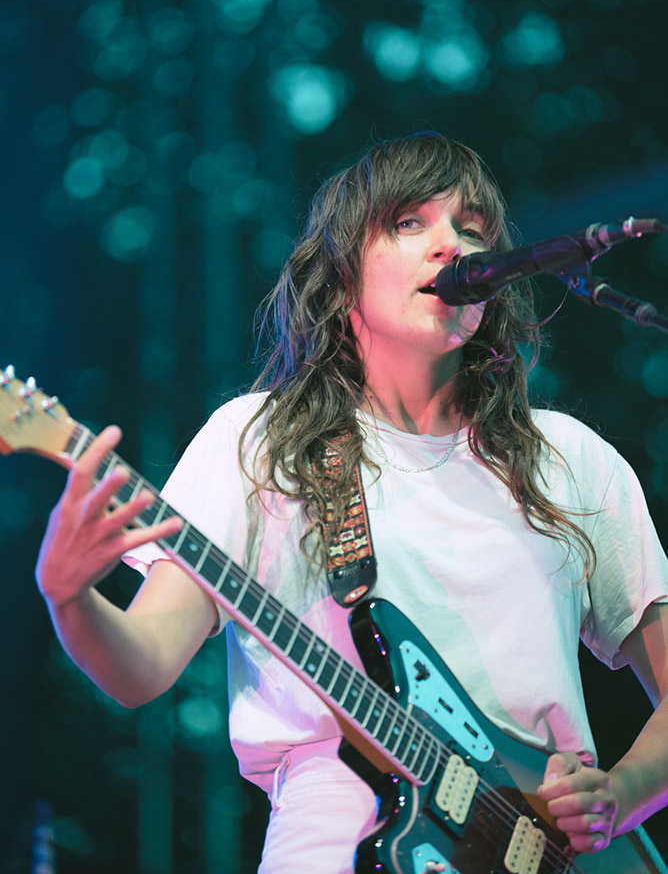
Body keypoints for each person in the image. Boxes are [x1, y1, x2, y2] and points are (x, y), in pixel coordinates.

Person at [36, 131, 668, 873]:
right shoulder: (260, 441)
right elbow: (140, 669)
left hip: (546, 852)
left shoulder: (568, 459)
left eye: (471, 229)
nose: (449, 245)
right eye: (410, 223)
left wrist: (620, 793)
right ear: (340, 272)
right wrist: (68, 595)